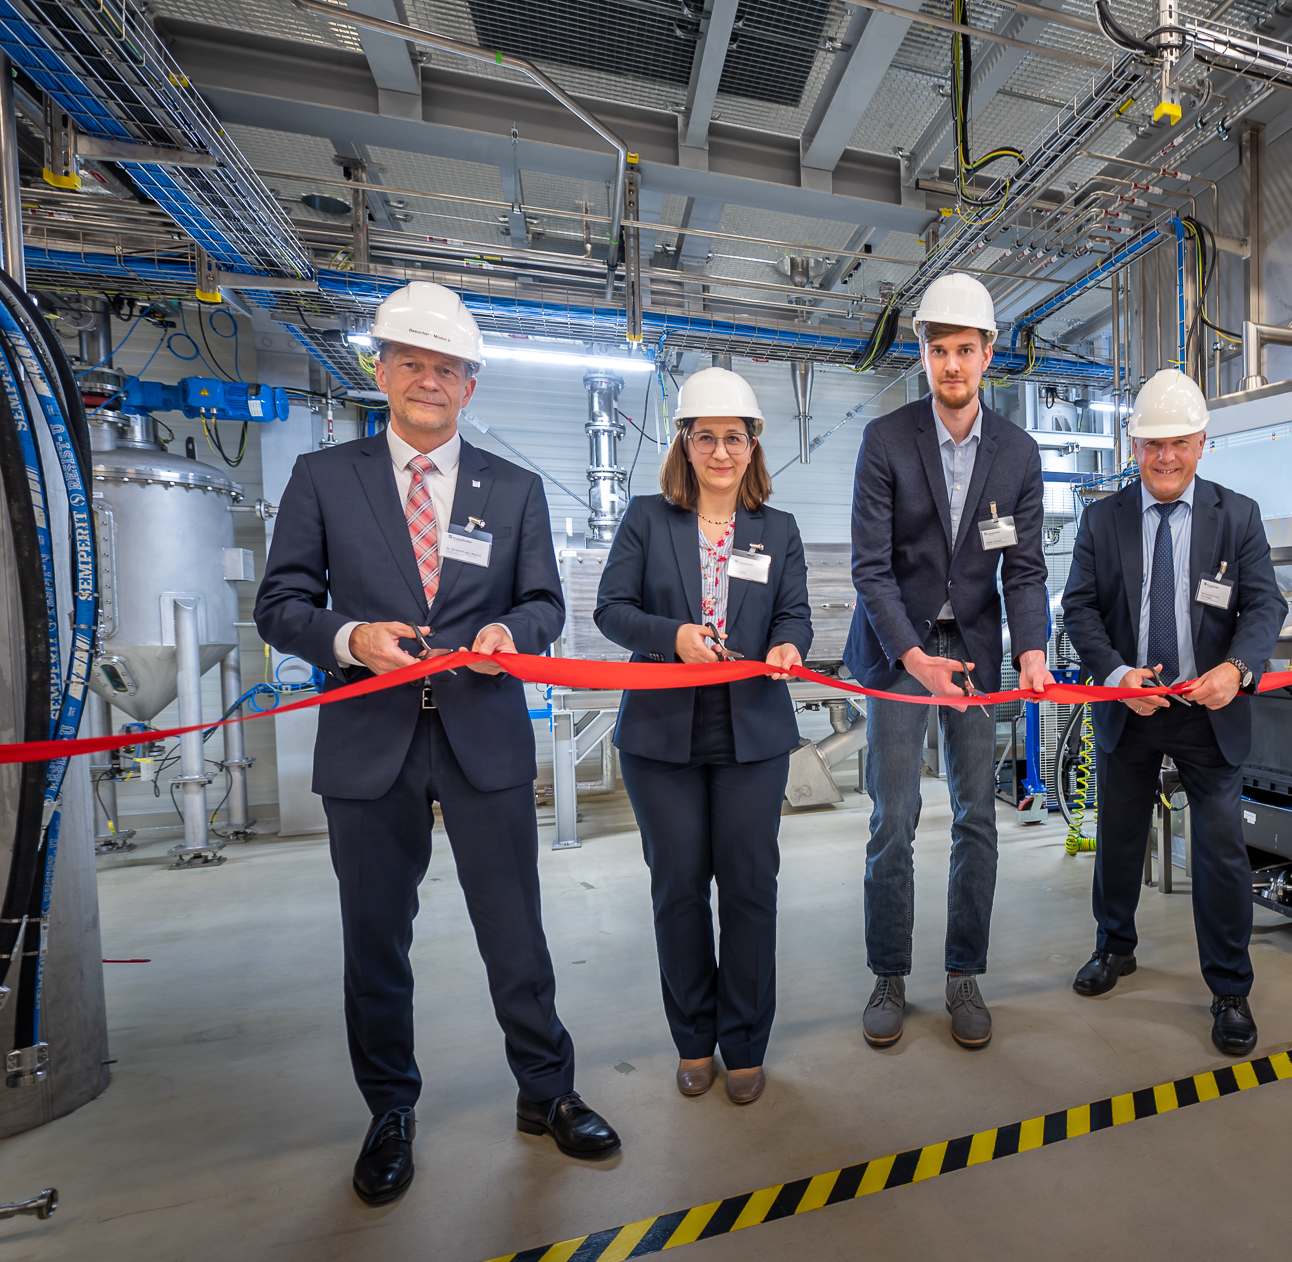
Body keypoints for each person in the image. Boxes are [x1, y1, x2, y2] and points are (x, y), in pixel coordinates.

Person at [254, 281, 619, 1206]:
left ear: (471, 384)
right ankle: (390, 1110)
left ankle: (548, 1090)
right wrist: (350, 639)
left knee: (516, 929)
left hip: (481, 732)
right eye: (411, 362)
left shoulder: (515, 487)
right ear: (380, 371)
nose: (428, 380)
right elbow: (281, 604)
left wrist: (513, 636)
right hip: (370, 738)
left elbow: (545, 602)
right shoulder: (322, 479)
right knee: (375, 938)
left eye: (446, 367)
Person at [592, 368, 811, 1106]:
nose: (721, 451)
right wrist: (673, 636)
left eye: (735, 437)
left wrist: (786, 646)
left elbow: (795, 614)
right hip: (662, 738)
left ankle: (744, 1040)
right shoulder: (648, 518)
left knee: (750, 888)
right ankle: (694, 1037)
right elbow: (612, 610)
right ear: (684, 444)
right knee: (679, 888)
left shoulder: (776, 529)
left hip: (752, 732)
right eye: (706, 436)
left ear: (754, 446)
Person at [845, 272, 1051, 1050]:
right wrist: (910, 654)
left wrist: (1031, 648)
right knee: (892, 817)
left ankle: (964, 973)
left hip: (971, 650)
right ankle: (889, 974)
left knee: (977, 817)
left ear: (988, 353)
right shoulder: (886, 440)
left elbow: (1023, 569)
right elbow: (871, 568)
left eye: (966, 349)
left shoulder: (1018, 454)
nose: (952, 365)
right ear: (923, 353)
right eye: (939, 350)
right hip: (898, 649)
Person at [1057, 368, 1286, 1056]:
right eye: (1152, 443)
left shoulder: (1236, 515)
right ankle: (1114, 946)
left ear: (1201, 443)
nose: (1165, 457)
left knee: (1219, 850)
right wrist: (1119, 674)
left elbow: (1265, 606)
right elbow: (1080, 609)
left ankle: (1230, 989)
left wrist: (1237, 670)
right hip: (1131, 702)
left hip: (1206, 707)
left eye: (1178, 443)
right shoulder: (1104, 519)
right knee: (1119, 837)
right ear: (1133, 447)